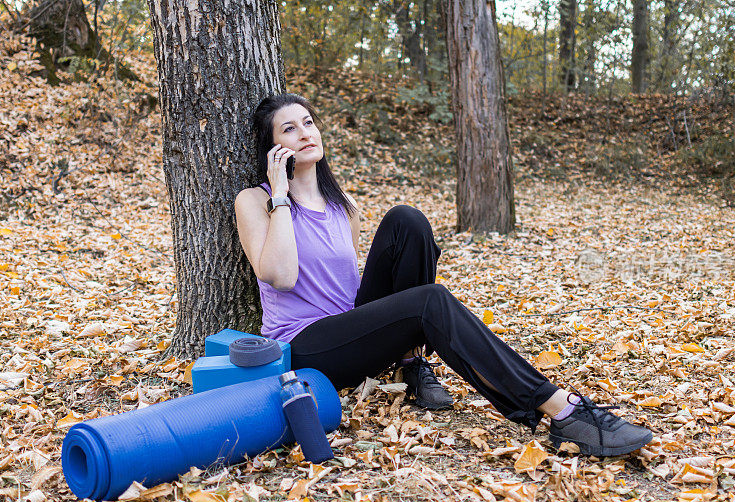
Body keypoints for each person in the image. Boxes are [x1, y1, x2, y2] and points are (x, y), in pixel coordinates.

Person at [234, 93, 653, 457]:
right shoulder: (255, 200)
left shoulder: (343, 205)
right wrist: (281, 195)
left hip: (352, 333)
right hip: (307, 348)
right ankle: (560, 409)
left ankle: (408, 362)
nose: (305, 133)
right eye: (289, 130)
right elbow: (282, 276)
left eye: (308, 122)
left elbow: (348, 288)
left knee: (407, 220)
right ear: (272, 148)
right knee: (430, 300)